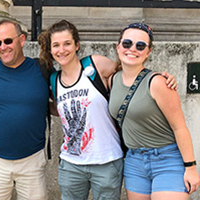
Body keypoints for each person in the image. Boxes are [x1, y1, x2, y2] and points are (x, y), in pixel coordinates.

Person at [37, 20, 178, 200]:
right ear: (50, 49)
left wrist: (161, 77)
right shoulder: (54, 79)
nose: (61, 50)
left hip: (107, 161)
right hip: (71, 164)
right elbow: (63, 110)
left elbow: (130, 75)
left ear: (77, 45)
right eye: (56, 45)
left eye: (67, 43)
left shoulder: (95, 65)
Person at [108, 22, 200, 200]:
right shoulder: (112, 80)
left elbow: (179, 127)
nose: (132, 49)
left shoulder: (158, 82)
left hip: (167, 159)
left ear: (148, 52)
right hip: (134, 161)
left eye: (140, 46)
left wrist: (191, 168)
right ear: (118, 47)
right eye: (127, 43)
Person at [0, 19, 52, 200]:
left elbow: (62, 102)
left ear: (21, 40)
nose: (3, 47)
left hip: (32, 161)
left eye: (8, 41)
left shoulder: (42, 69)